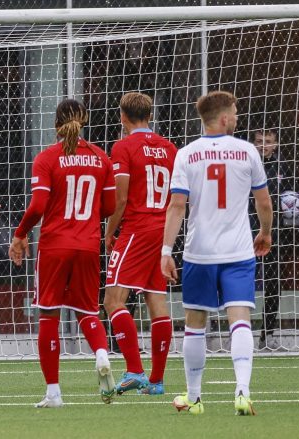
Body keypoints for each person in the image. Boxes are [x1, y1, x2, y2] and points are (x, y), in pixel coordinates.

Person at [161, 91, 273, 415]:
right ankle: (242, 391)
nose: (237, 117)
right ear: (224, 118)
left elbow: (177, 205)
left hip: (200, 252)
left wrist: (166, 251)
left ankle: (194, 398)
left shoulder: (186, 154)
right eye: (235, 113)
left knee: (196, 323)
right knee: (240, 319)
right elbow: (263, 202)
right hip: (238, 251)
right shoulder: (248, 151)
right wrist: (264, 233)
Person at [9, 99, 116, 408]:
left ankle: (54, 392)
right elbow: (109, 208)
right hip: (87, 244)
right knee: (87, 311)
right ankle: (100, 354)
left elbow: (39, 206)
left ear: (55, 124)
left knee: (48, 314)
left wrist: (19, 234)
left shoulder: (47, 158)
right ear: (84, 122)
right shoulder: (100, 158)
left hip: (55, 245)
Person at [103, 92, 176, 396]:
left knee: (113, 300)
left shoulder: (123, 146)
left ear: (123, 117)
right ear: (150, 115)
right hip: (163, 230)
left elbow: (120, 198)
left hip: (136, 228)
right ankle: (156, 382)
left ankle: (134, 369)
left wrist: (109, 231)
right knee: (155, 301)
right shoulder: (170, 148)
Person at [251, 128, 299, 350]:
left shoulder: (282, 166)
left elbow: (292, 194)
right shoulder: (247, 162)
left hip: (272, 234)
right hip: (245, 231)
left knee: (274, 283)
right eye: (259, 141)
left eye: (267, 142)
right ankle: (238, 333)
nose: (263, 145)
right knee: (240, 283)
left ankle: (267, 335)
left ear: (275, 145)